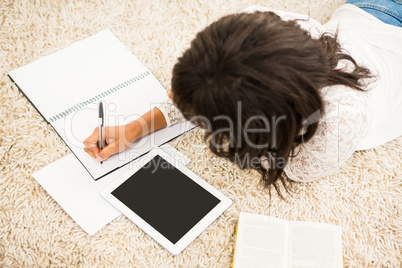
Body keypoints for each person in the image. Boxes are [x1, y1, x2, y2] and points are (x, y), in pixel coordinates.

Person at [84, 1, 402, 197]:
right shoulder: (254, 24)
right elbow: (212, 86)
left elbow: (298, 171)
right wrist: (134, 129)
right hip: (370, 10)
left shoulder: (341, 121)